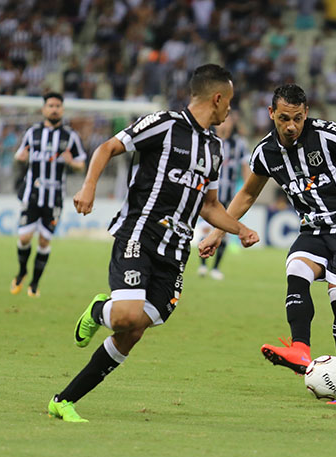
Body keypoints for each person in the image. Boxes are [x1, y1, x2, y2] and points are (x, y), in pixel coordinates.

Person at [47, 64, 259, 422]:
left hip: (175, 253)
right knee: (125, 315)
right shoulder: (163, 123)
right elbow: (107, 147)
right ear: (217, 98)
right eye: (229, 102)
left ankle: (63, 401)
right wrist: (88, 186)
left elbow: (209, 206)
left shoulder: (214, 148)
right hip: (140, 234)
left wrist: (238, 229)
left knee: (136, 329)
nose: (229, 111)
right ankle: (100, 309)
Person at [199, 84, 336, 405]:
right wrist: (218, 232)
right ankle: (300, 349)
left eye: (298, 118)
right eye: (284, 118)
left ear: (306, 114)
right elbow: (247, 194)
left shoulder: (326, 135)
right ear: (271, 114)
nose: (291, 126)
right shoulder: (265, 152)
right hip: (314, 227)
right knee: (296, 267)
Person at [10, 92, 86, 297]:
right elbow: (19, 157)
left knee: (44, 241)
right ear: (44, 109)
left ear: (62, 109)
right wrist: (21, 158)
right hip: (31, 193)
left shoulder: (70, 136)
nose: (54, 109)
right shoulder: (32, 133)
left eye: (57, 106)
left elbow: (81, 164)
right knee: (25, 237)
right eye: (50, 105)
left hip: (55, 198)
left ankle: (34, 283)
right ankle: (22, 272)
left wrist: (72, 163)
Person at [197, 111, 250, 280]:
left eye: (229, 122)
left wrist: (248, 190)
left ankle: (216, 268)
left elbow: (245, 166)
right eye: (225, 121)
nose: (226, 125)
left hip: (227, 196)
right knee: (205, 229)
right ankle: (203, 266)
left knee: (223, 231)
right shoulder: (207, 140)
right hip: (208, 195)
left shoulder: (238, 144)